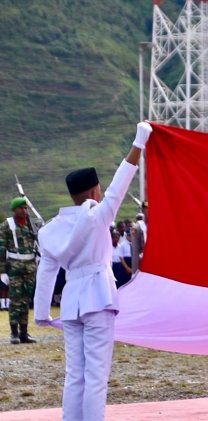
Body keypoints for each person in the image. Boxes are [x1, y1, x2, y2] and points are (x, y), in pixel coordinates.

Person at [33, 122, 152, 421]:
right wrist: (139, 143)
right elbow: (121, 185)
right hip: (98, 299)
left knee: (75, 375)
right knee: (96, 375)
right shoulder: (97, 216)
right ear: (94, 190)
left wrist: (42, 315)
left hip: (72, 303)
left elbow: (46, 272)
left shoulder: (50, 231)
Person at [0, 197, 43, 344]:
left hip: (30, 266)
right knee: (16, 300)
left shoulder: (31, 225)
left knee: (26, 300)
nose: (25, 211)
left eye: (26, 208)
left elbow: (38, 242)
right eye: (22, 208)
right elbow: (1, 248)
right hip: (14, 267)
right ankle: (14, 333)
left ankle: (24, 332)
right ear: (14, 209)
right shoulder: (8, 225)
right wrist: (2, 271)